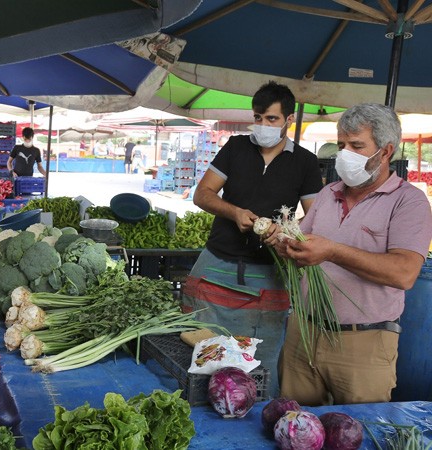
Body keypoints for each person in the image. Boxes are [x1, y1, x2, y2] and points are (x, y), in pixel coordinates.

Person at [276, 103, 432, 405]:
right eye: (341, 145)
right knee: (294, 422)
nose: (344, 154)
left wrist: (332, 251)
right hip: (304, 333)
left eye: (356, 146)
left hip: (364, 343)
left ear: (386, 152)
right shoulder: (328, 193)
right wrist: (287, 246)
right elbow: (303, 243)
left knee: (358, 427)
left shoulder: (409, 202)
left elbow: (404, 273)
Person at [181, 81, 323, 398]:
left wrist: (285, 231)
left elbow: (316, 216)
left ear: (288, 120)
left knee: (260, 363)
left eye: (271, 119)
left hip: (268, 273)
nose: (262, 125)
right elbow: (202, 194)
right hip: (216, 264)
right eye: (258, 118)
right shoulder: (235, 148)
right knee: (203, 350)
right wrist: (234, 212)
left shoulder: (305, 162)